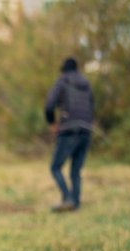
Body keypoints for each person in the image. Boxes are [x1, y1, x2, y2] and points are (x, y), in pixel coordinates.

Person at [45, 57, 94, 212]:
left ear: (63, 70)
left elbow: (49, 105)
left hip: (69, 130)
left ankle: (68, 199)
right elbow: (92, 106)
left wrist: (52, 123)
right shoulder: (86, 84)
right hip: (86, 129)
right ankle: (76, 203)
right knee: (76, 170)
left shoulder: (62, 81)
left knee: (55, 167)